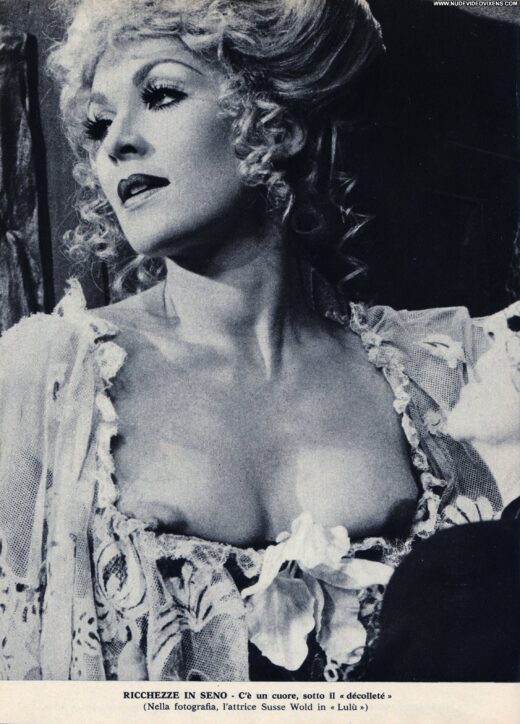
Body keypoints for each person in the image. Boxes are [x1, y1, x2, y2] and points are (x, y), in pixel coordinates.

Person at [0, 0, 518, 681]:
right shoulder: (47, 379)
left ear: (275, 121)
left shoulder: (441, 369)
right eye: (98, 125)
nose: (115, 143)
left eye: (160, 94)